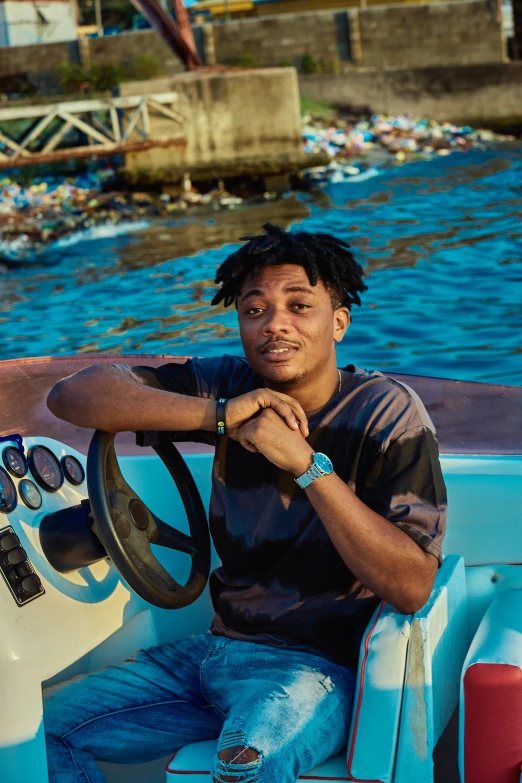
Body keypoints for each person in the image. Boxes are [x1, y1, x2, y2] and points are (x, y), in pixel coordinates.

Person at [44, 223, 447, 783]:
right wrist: (220, 416)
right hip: (214, 654)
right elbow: (74, 394)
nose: (274, 323)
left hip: (318, 670)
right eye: (254, 309)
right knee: (39, 731)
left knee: (243, 770)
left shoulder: (386, 412)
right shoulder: (230, 384)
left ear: (338, 323)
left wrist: (306, 464)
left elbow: (412, 584)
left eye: (299, 305)